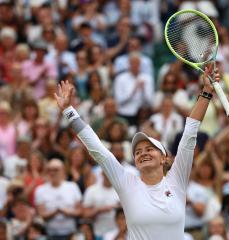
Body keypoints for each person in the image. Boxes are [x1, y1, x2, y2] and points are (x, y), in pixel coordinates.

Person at [54, 64, 220, 240]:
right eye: (138, 152)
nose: (143, 153)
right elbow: (98, 150)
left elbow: (189, 133)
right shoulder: (127, 183)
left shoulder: (177, 180)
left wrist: (206, 92)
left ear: (164, 158)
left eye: (149, 149)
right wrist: (68, 111)